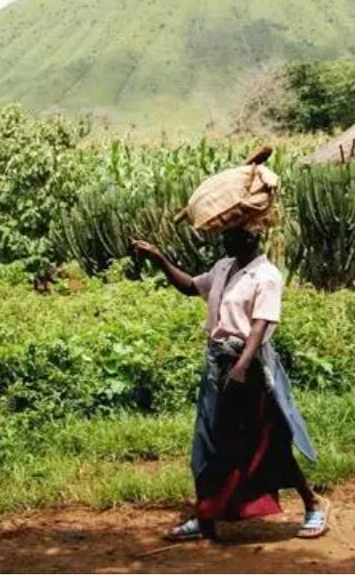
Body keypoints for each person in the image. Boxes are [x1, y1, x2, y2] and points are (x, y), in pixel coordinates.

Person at [131, 227, 330, 543]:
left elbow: (260, 326)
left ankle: (313, 502)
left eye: (231, 237)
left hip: (247, 366)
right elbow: (191, 286)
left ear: (251, 238)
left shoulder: (266, 276)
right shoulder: (224, 267)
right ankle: (205, 519)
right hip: (216, 363)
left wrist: (241, 367)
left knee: (266, 443)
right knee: (208, 442)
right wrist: (159, 259)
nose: (224, 241)